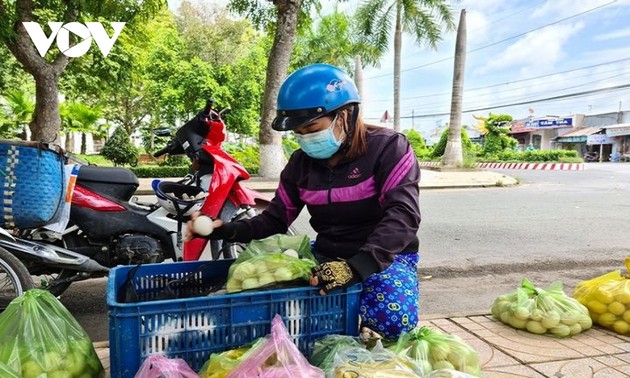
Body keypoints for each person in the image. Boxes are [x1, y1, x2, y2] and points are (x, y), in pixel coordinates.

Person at [186, 63, 421, 339]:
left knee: (392, 320)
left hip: (386, 257)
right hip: (326, 254)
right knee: (285, 311)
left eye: (312, 127)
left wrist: (357, 267)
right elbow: (275, 218)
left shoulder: (389, 148)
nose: (305, 138)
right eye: (298, 132)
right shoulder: (300, 165)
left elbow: (403, 216)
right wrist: (224, 229)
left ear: (345, 115)